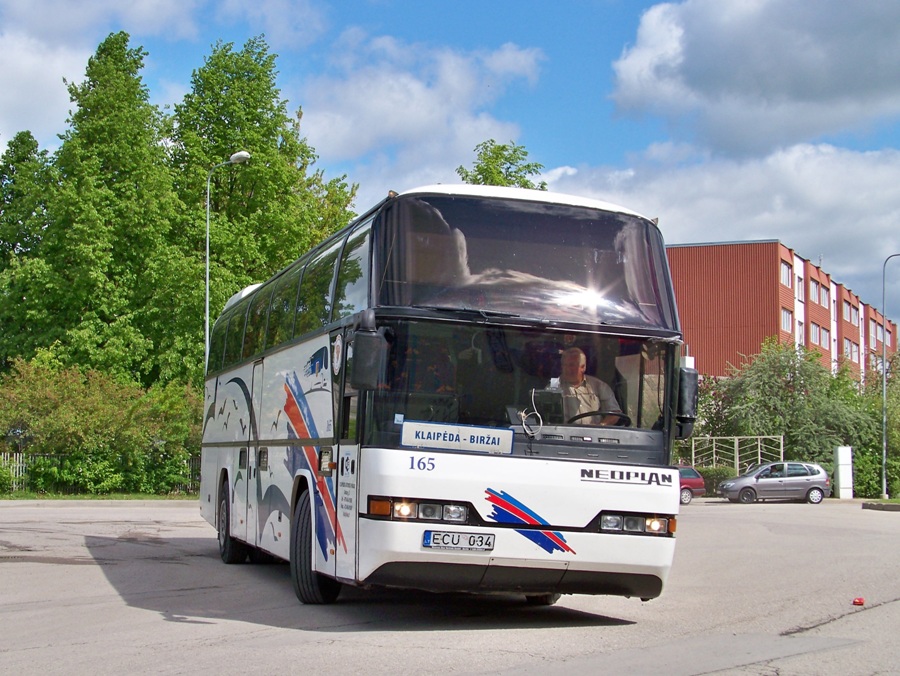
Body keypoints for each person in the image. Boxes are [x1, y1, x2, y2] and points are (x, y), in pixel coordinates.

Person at [558, 347, 623, 425]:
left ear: (583, 367)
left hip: (594, 434)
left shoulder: (598, 386)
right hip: (565, 434)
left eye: (571, 365)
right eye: (564, 365)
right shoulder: (555, 387)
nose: (567, 369)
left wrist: (601, 426)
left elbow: (614, 413)